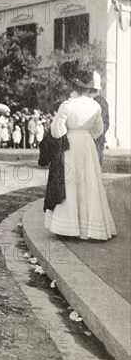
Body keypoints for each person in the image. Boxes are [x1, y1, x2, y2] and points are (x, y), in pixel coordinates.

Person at [44, 60, 116, 240]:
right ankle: (91, 227)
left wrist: (69, 133)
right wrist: (87, 136)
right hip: (87, 144)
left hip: (71, 144)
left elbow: (56, 131)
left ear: (75, 86)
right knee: (89, 182)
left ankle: (69, 227)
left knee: (70, 182)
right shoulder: (95, 106)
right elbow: (98, 130)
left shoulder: (67, 105)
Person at [89, 71, 109, 168]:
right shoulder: (102, 101)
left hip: (95, 140)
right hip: (97, 139)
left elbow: (104, 123)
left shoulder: (97, 102)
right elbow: (106, 123)